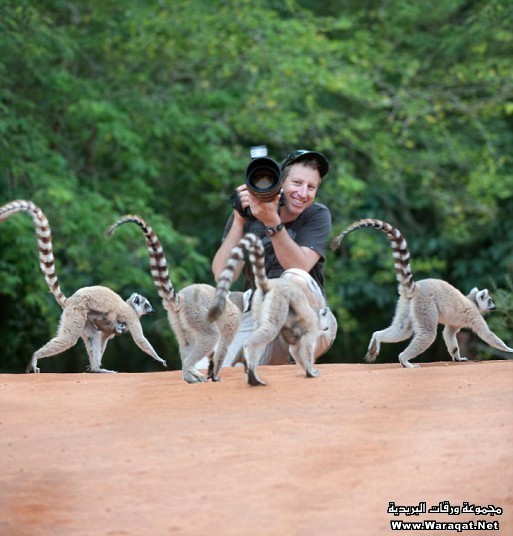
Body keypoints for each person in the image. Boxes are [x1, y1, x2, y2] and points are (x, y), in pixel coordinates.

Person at [211, 149, 338, 366]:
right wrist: (239, 219)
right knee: (212, 367)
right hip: (264, 321)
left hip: (313, 323)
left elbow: (299, 266)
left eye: (311, 187)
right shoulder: (250, 214)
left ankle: (301, 352)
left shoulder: (317, 215)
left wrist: (271, 221)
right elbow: (223, 275)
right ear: (280, 181)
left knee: (293, 278)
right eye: (297, 183)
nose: (303, 192)